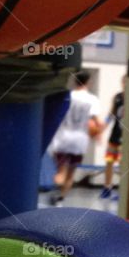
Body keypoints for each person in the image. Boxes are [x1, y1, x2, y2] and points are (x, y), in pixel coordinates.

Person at [48, 70, 102, 204]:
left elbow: (56, 115)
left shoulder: (68, 96)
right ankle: (61, 198)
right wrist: (98, 134)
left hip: (63, 138)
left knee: (60, 172)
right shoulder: (92, 99)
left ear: (74, 81)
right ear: (88, 82)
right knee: (71, 173)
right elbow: (96, 121)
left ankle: (55, 191)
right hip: (80, 140)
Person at [101, 88, 124, 200]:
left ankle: (122, 190)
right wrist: (102, 129)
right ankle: (107, 188)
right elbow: (111, 114)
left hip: (126, 136)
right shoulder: (118, 97)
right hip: (115, 135)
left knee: (122, 164)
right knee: (109, 161)